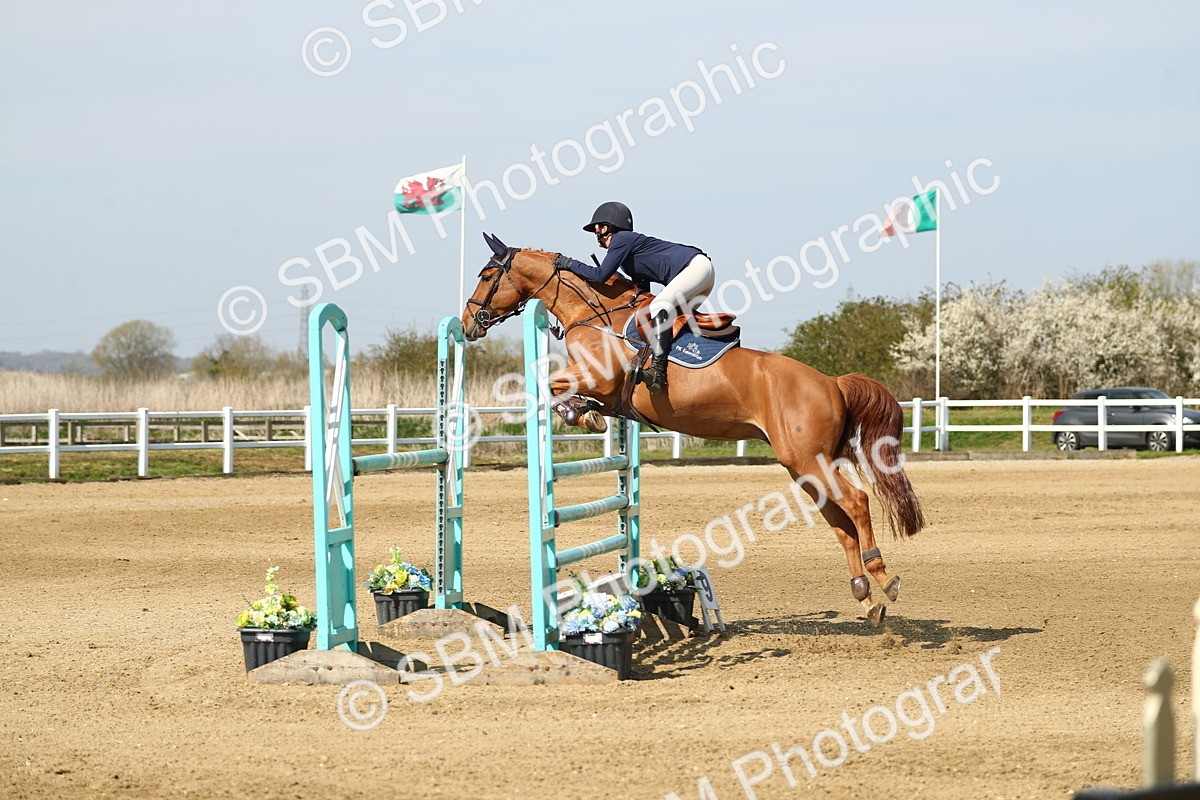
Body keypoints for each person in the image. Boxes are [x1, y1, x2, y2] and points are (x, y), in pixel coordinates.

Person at [554, 201, 715, 392]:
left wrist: (569, 263)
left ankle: (657, 372)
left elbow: (600, 275)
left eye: (596, 229)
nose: (595, 236)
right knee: (670, 320)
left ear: (605, 228)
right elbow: (641, 293)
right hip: (700, 272)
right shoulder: (627, 253)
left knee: (658, 308)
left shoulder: (621, 239)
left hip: (695, 268)